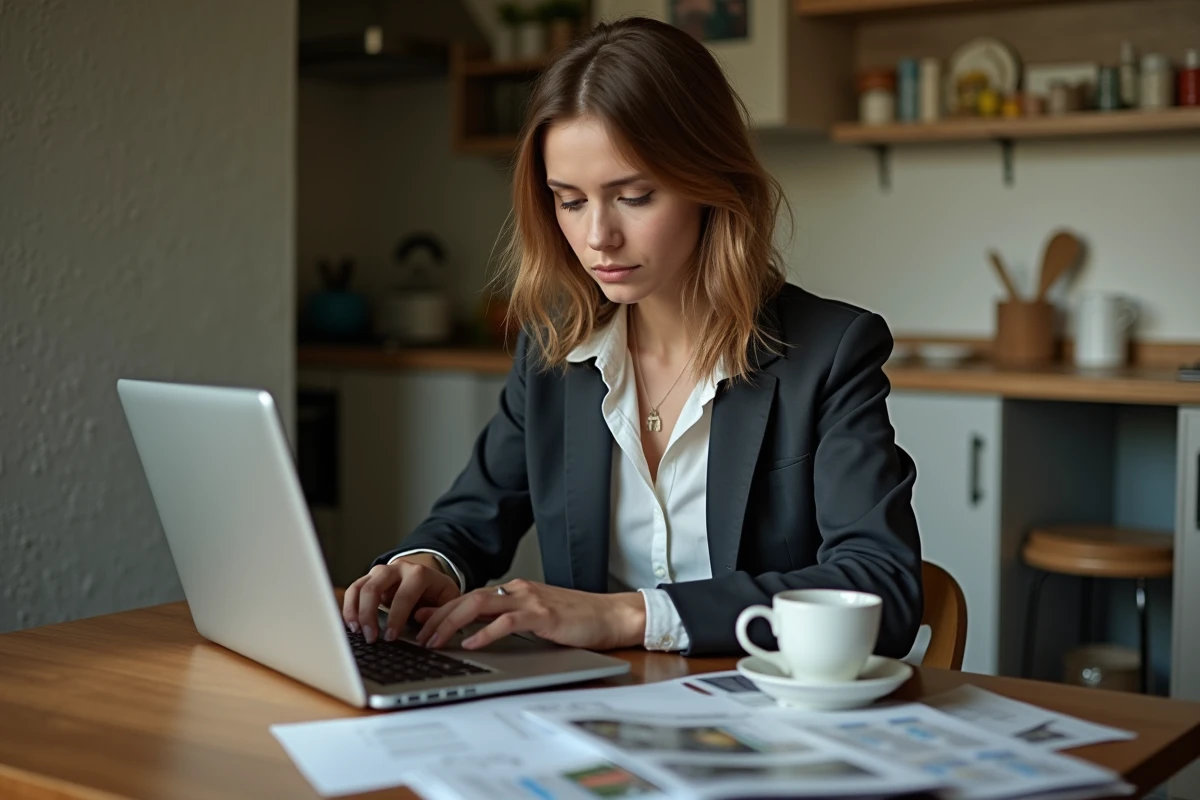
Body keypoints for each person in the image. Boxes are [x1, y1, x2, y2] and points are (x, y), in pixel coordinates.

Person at [341, 16, 922, 658]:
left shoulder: (831, 351)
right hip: (591, 717)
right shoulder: (551, 352)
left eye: (635, 196)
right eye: (569, 200)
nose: (598, 237)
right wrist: (426, 565)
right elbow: (468, 520)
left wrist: (629, 617)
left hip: (762, 716)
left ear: (713, 183)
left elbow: (882, 591)